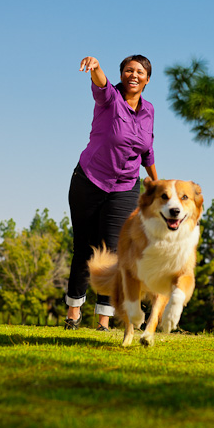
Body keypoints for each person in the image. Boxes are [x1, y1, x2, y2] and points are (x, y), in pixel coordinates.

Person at [64, 55, 158, 331]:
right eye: (128, 70)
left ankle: (103, 320)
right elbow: (101, 85)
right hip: (89, 180)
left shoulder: (149, 110)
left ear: (147, 79)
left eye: (140, 71)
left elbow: (147, 150)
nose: (134, 74)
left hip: (126, 187)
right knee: (84, 248)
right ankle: (73, 313)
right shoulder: (110, 99)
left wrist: (156, 182)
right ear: (121, 74)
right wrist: (96, 67)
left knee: (113, 253)